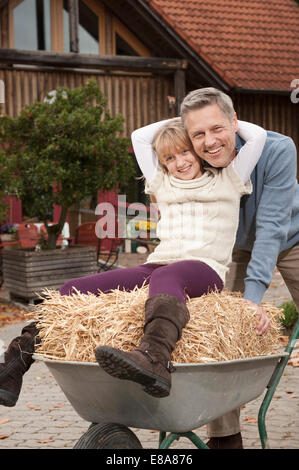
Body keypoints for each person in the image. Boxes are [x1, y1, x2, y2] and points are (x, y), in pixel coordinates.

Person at [0, 102, 266, 405]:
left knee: (168, 275)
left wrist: (200, 124)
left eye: (185, 151)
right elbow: (140, 136)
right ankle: (13, 365)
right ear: (162, 164)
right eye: (169, 157)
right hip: (157, 267)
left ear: (198, 149)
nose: (178, 162)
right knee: (70, 289)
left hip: (204, 269)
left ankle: (154, 358)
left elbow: (257, 137)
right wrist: (185, 120)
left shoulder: (229, 179)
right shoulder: (163, 184)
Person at [178, 87, 299, 449]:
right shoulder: (193, 157)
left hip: (291, 235)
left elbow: (271, 229)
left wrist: (253, 299)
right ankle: (225, 438)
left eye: (217, 128)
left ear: (235, 121)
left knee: (245, 306)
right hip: (229, 247)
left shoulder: (277, 149)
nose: (209, 142)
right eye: (197, 134)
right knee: (217, 328)